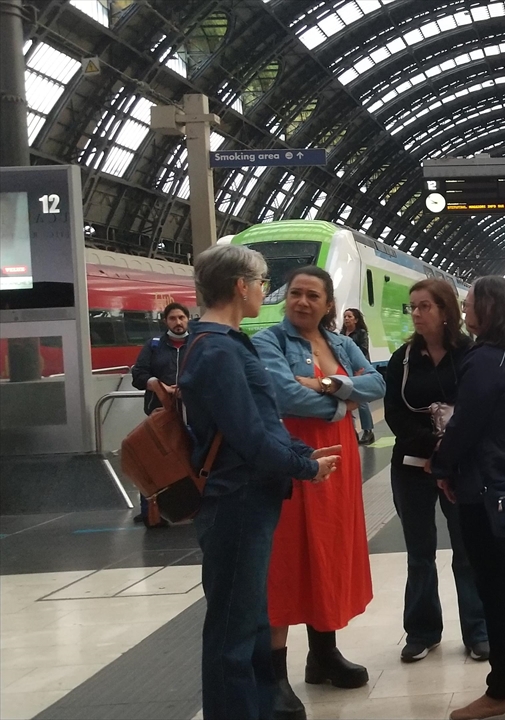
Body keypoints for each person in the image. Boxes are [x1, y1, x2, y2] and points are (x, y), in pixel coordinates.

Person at [178, 245, 340, 720]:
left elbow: (259, 423)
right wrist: (305, 468)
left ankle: (258, 708)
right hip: (237, 499)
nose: (264, 290)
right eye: (263, 282)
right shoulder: (218, 349)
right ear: (240, 286)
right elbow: (249, 435)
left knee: (249, 619)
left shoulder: (221, 343)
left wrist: (300, 454)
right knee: (233, 626)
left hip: (247, 497)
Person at [253, 266, 386, 720]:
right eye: (295, 293)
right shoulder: (269, 341)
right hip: (294, 460)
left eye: (313, 295)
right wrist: (343, 403)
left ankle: (323, 655)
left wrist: (325, 384)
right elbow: (282, 394)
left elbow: (377, 383)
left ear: (329, 303)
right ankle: (274, 676)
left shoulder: (342, 344)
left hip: (339, 465)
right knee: (287, 560)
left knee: (328, 551)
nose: (302, 302)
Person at [433, 276, 505, 720]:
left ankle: (502, 692)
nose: (464, 311)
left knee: (496, 588)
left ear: (489, 309)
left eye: (469, 305)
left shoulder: (485, 360)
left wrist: (442, 466)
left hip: (486, 487)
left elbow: (465, 425)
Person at [384, 279, 489, 664]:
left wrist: (450, 451)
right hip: (412, 466)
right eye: (412, 306)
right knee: (419, 552)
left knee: (467, 550)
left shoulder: (471, 354)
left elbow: (480, 408)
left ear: (445, 311)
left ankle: (478, 630)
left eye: (424, 306)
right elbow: (394, 414)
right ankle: (422, 632)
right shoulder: (403, 359)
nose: (416, 313)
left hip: (461, 467)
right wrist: (432, 447)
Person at [130, 301, 190, 526]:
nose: (178, 322)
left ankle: (194, 505)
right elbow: (138, 375)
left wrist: (188, 387)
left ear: (188, 320)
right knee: (153, 459)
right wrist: (157, 385)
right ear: (166, 321)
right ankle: (150, 511)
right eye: (173, 318)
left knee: (194, 458)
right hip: (160, 413)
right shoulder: (154, 346)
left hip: (193, 413)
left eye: (181, 318)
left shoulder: (197, 344)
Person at [341, 308, 376, 445]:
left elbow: (363, 350)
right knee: (346, 400)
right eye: (345, 316)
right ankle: (352, 431)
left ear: (356, 319)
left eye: (349, 316)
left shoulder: (361, 333)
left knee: (361, 401)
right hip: (346, 370)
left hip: (359, 369)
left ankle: (368, 431)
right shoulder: (341, 334)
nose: (346, 319)